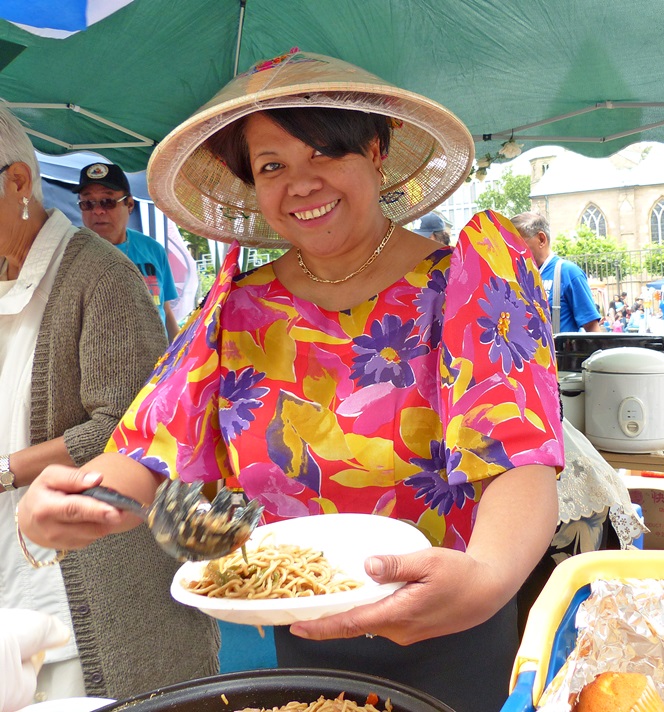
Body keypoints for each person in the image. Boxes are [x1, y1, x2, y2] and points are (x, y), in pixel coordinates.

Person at [18, 49, 564, 711]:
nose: (301, 184)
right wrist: (70, 501)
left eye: (324, 153)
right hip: (302, 635)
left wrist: (485, 579)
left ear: (376, 150)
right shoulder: (236, 310)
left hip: (455, 623)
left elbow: (520, 458)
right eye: (272, 166)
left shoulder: (469, 276)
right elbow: (146, 449)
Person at [0, 107, 219, 702]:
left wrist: (5, 472)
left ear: (18, 182)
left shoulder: (102, 276)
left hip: (90, 577)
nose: (99, 210)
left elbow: (129, 425)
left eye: (108, 201)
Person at [75, 162, 180, 341]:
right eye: (88, 203)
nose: (98, 210)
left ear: (129, 204)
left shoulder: (153, 250)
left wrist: (179, 358)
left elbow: (166, 310)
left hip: (156, 361)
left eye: (107, 202)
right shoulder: (70, 255)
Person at [511, 211, 602, 333]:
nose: (512, 249)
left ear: (541, 239)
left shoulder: (568, 273)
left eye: (518, 243)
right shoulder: (515, 276)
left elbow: (592, 329)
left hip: (559, 351)